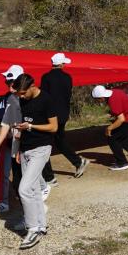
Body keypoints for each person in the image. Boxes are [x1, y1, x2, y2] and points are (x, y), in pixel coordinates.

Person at [12, 73, 58, 250]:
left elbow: (53, 127)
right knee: (32, 189)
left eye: (23, 93)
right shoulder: (23, 99)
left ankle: (32, 230)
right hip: (26, 149)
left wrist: (31, 126)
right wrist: (18, 149)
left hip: (42, 148)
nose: (21, 97)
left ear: (32, 86)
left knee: (23, 189)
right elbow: (23, 124)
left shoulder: (46, 100)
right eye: (19, 94)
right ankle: (41, 224)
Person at [40, 53, 90, 182]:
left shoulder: (46, 77)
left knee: (44, 144)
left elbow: (44, 97)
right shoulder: (67, 77)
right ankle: (78, 161)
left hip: (50, 115)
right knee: (59, 140)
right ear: (61, 64)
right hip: (63, 113)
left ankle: (49, 177)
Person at [0, 65, 24, 216]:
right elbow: (3, 122)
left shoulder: (28, 98)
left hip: (22, 144)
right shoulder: (8, 97)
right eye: (7, 82)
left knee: (23, 176)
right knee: (4, 174)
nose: (9, 85)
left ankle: (31, 204)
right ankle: (3, 203)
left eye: (12, 82)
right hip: (8, 142)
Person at [91, 85, 128, 171]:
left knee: (112, 138)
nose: (98, 101)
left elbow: (121, 119)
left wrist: (109, 128)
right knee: (121, 138)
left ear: (101, 97)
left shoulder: (112, 100)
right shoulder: (114, 92)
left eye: (97, 99)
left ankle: (122, 163)